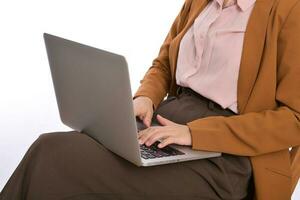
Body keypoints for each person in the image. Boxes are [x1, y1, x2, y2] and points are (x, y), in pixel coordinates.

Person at [1, 0, 300, 199]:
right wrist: (146, 95)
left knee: (57, 162)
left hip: (228, 156)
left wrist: (196, 133)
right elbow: (165, 63)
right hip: (164, 124)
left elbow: (294, 119)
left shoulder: (289, 10)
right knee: (51, 148)